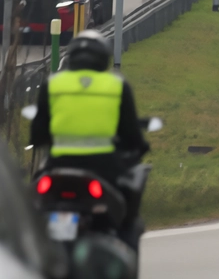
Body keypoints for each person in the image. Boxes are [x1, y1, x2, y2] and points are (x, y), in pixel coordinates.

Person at [30, 29, 149, 250]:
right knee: (127, 220)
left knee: (32, 206)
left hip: (58, 166)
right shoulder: (116, 86)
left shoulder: (53, 84)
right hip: (104, 169)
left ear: (71, 58)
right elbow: (131, 134)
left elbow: (38, 134)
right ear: (104, 58)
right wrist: (140, 147)